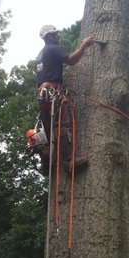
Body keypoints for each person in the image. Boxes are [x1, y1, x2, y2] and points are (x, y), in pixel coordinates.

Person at [36, 24, 95, 174]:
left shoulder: (41, 54)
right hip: (52, 92)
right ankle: (69, 161)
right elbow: (71, 60)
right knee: (63, 125)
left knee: (48, 131)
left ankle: (46, 163)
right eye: (56, 35)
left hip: (42, 95)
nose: (58, 37)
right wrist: (84, 46)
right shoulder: (52, 48)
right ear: (49, 37)